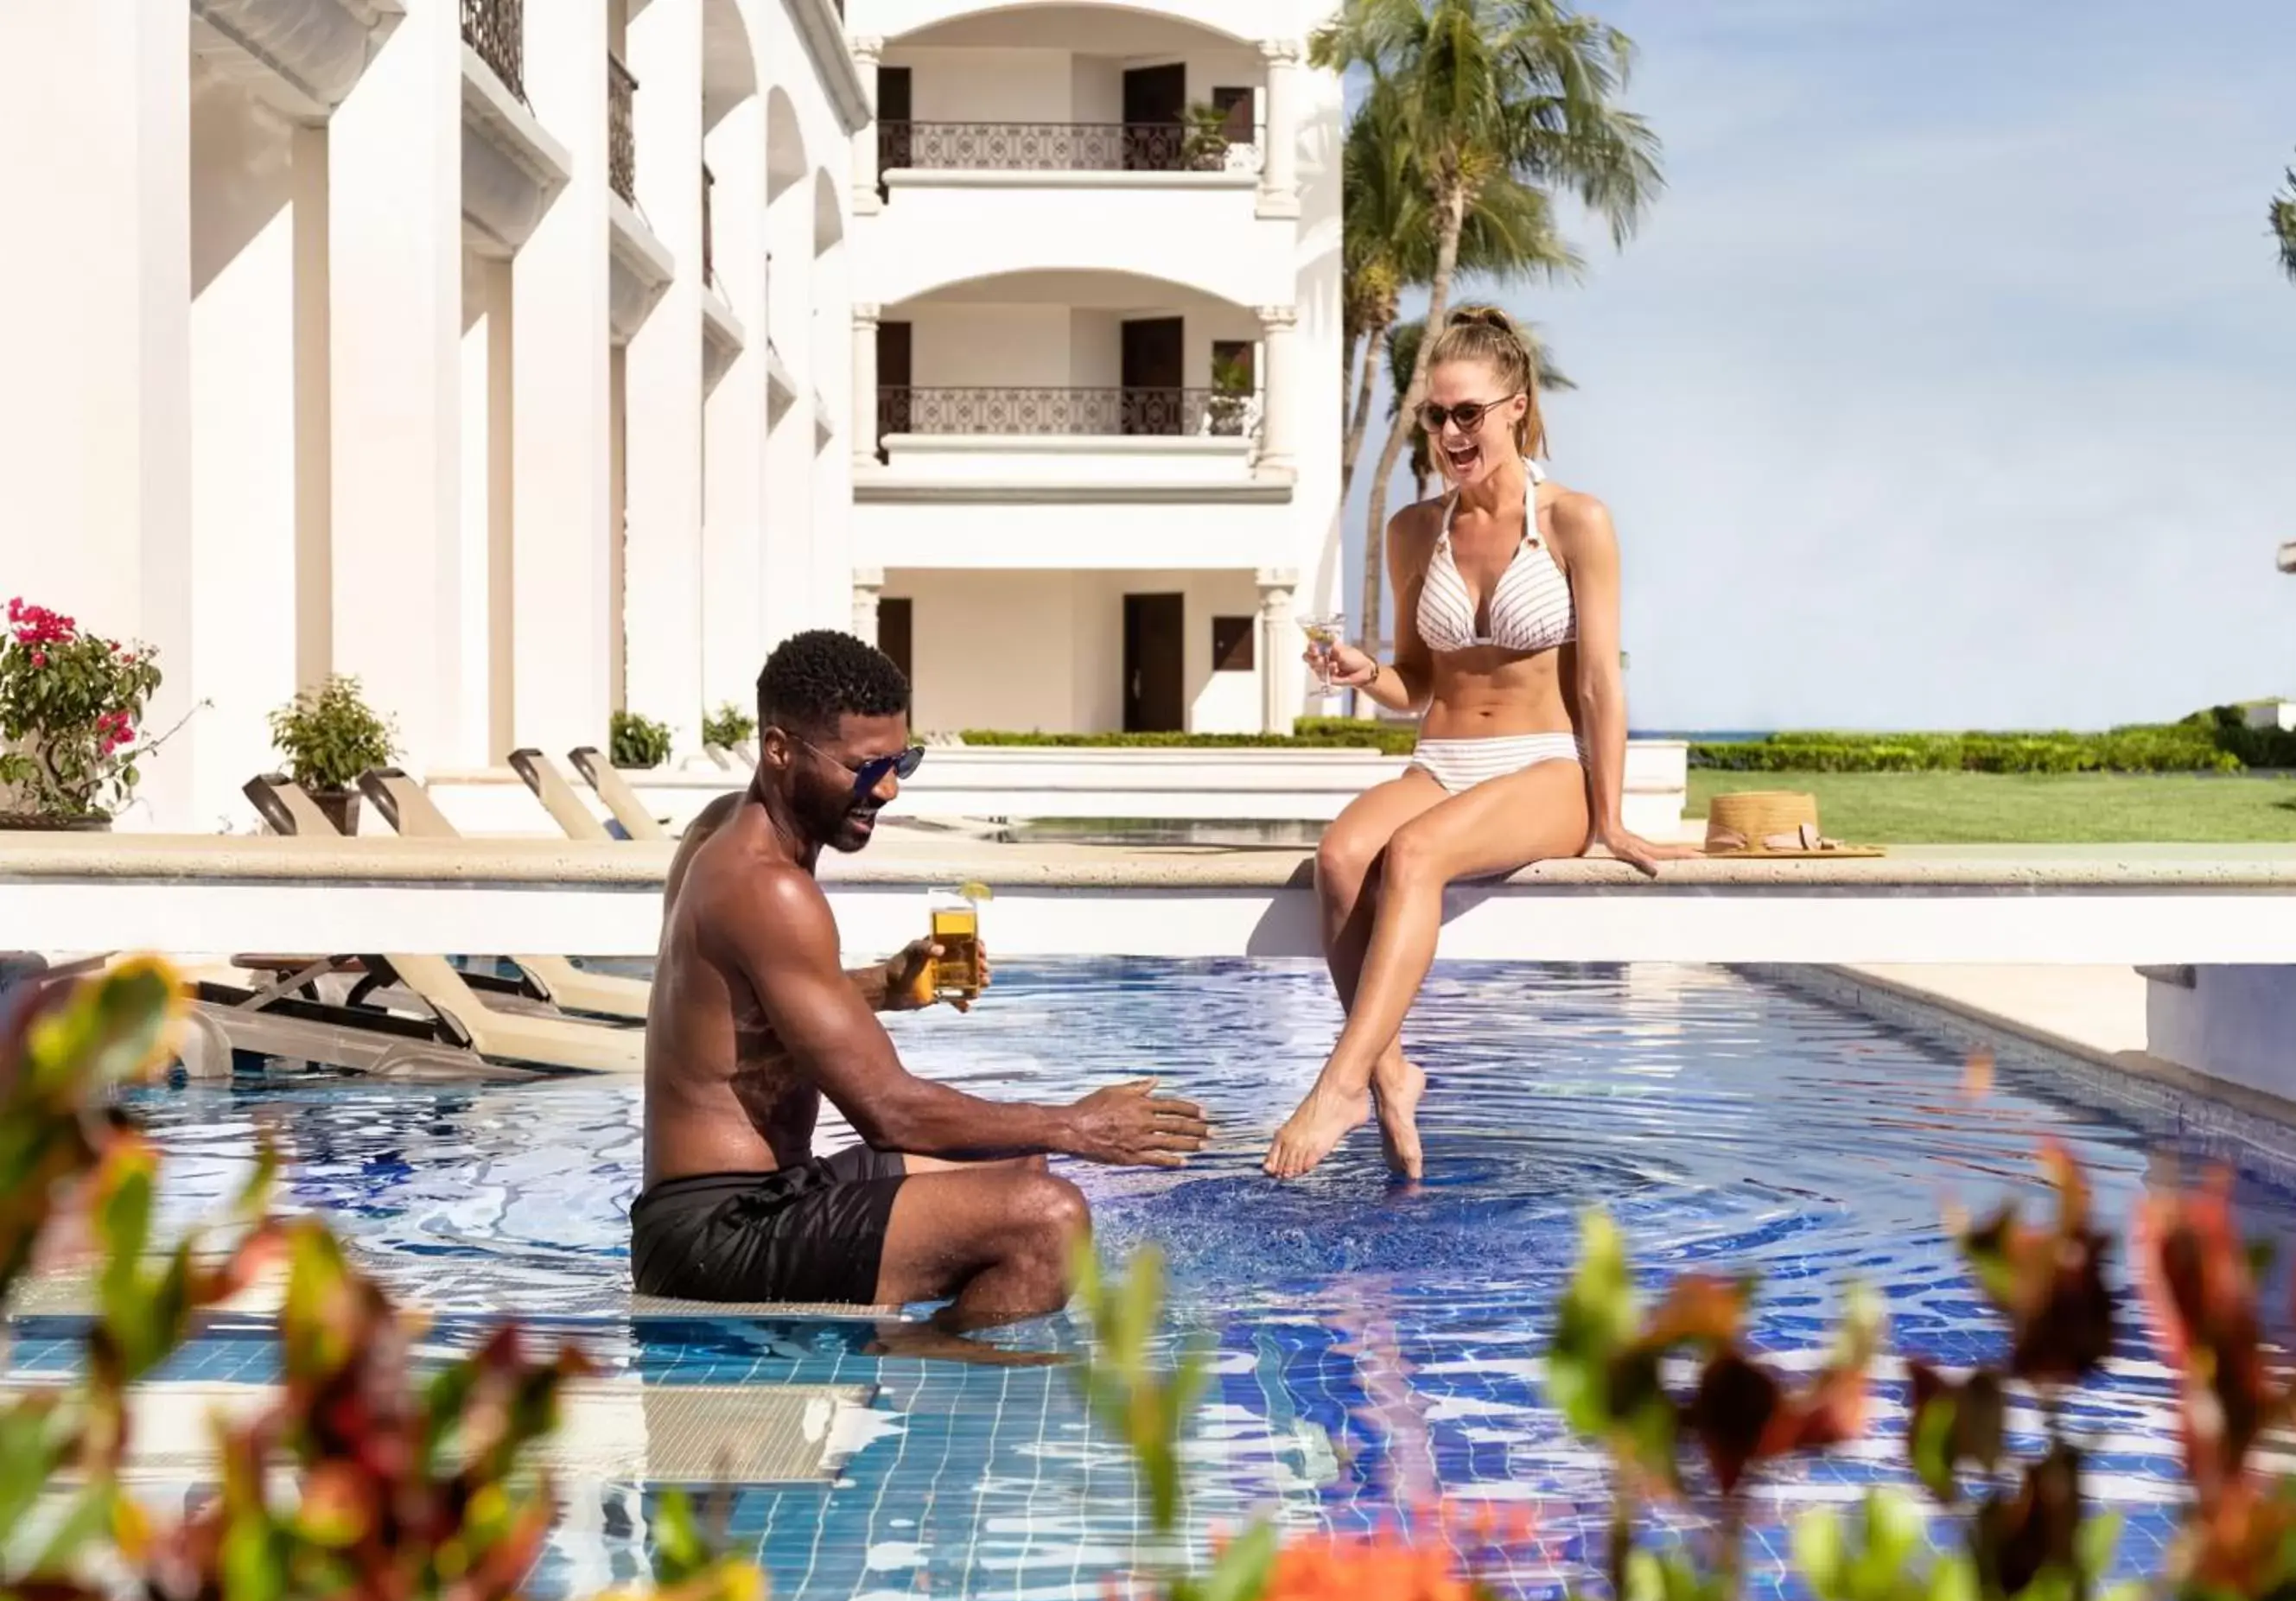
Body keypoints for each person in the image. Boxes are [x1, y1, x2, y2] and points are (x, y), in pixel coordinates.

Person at [634, 629, 1211, 1327]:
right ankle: (939, 1370)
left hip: (764, 1194)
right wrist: (1079, 1124)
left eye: (902, 759)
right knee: (1049, 1220)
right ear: (780, 749)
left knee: (1017, 1166)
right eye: (864, 765)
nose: (888, 787)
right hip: (716, 1234)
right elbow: (888, 1113)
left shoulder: (727, 826)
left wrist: (885, 986)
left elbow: (747, 1008)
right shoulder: (767, 886)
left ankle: (924, 1339)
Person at [1267, 306, 1694, 1182]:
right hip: (1441, 759)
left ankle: (1340, 1080)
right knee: (1344, 853)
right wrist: (1361, 671)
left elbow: (1599, 681)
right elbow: (1415, 685)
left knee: (1413, 854)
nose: (1452, 432)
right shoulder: (1414, 531)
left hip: (1544, 767)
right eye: (1435, 414)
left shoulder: (1577, 520)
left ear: (1517, 407)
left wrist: (1608, 818)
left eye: (1470, 412)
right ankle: (1390, 1070)